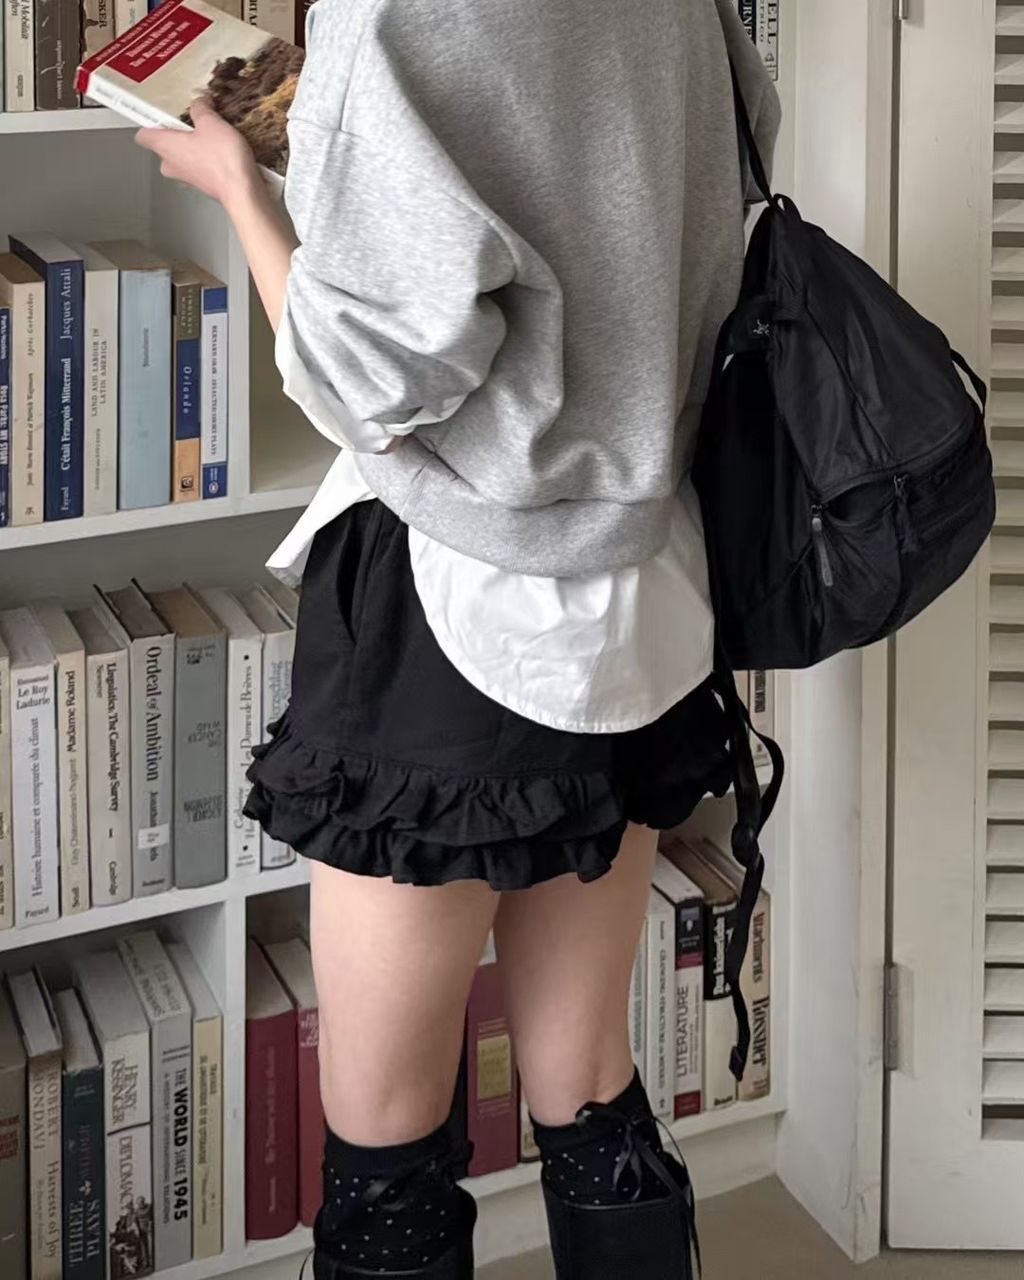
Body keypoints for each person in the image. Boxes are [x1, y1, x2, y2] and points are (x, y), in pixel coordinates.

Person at [138, 1, 779, 1274]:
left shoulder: (389, 15)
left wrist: (239, 192)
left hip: (456, 601)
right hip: (643, 577)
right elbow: (721, 162)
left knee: (384, 1130)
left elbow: (368, 384)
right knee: (590, 1082)